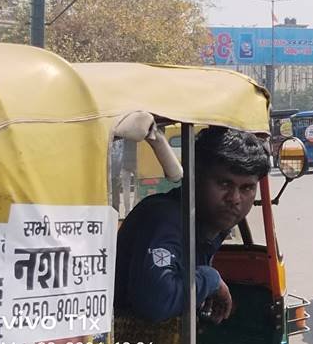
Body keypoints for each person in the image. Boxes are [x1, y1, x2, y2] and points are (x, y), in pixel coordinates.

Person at [114, 125, 268, 326]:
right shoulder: (165, 218)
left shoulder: (213, 223)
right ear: (195, 179)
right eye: (224, 184)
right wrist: (211, 279)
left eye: (247, 188)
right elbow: (157, 302)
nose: (235, 199)